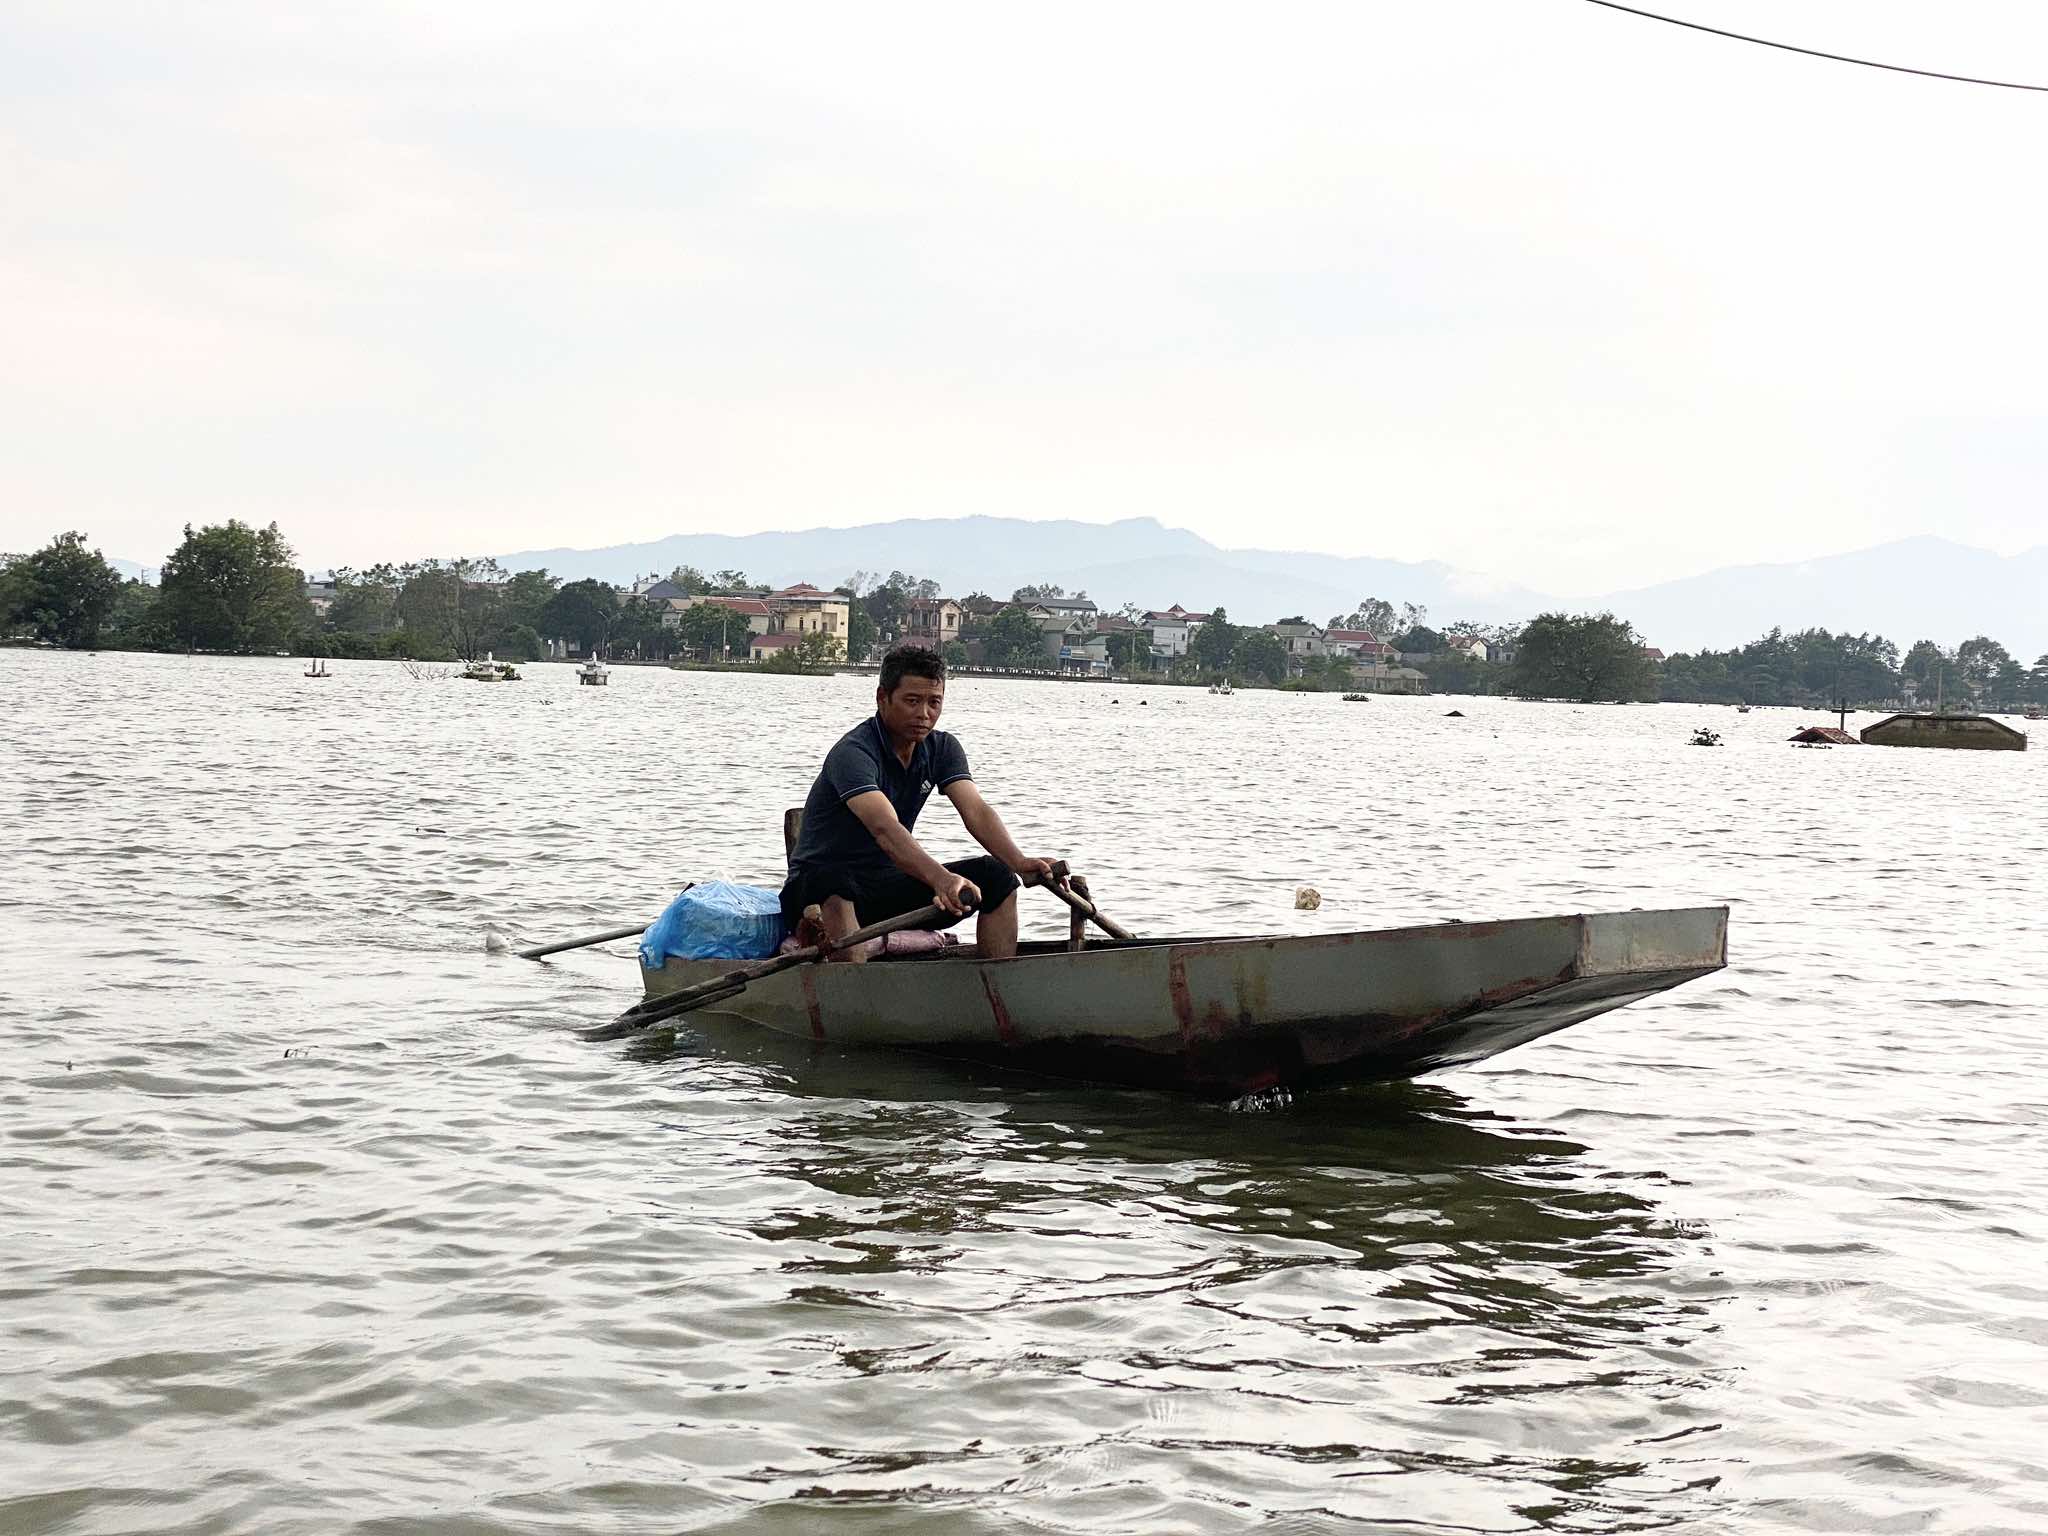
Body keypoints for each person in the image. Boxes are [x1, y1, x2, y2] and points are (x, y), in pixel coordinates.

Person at [780, 643, 1061, 960]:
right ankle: (851, 991)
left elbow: (976, 810)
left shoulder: (942, 748)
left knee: (997, 876)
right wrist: (941, 880)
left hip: (884, 886)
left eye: (934, 702)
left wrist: (1019, 862)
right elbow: (885, 829)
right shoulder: (854, 752)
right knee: (834, 880)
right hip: (814, 891)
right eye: (911, 701)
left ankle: (998, 988)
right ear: (882, 698)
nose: (924, 714)